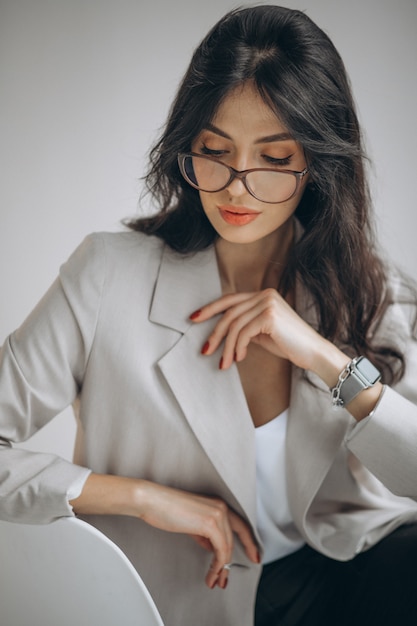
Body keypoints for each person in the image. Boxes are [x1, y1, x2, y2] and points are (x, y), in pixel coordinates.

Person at [1, 4, 417, 625]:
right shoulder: (106, 274)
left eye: (275, 160)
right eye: (214, 150)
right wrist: (140, 498)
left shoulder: (365, 285)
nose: (236, 187)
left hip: (346, 579)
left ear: (318, 166)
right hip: (189, 598)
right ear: (185, 148)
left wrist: (323, 357)